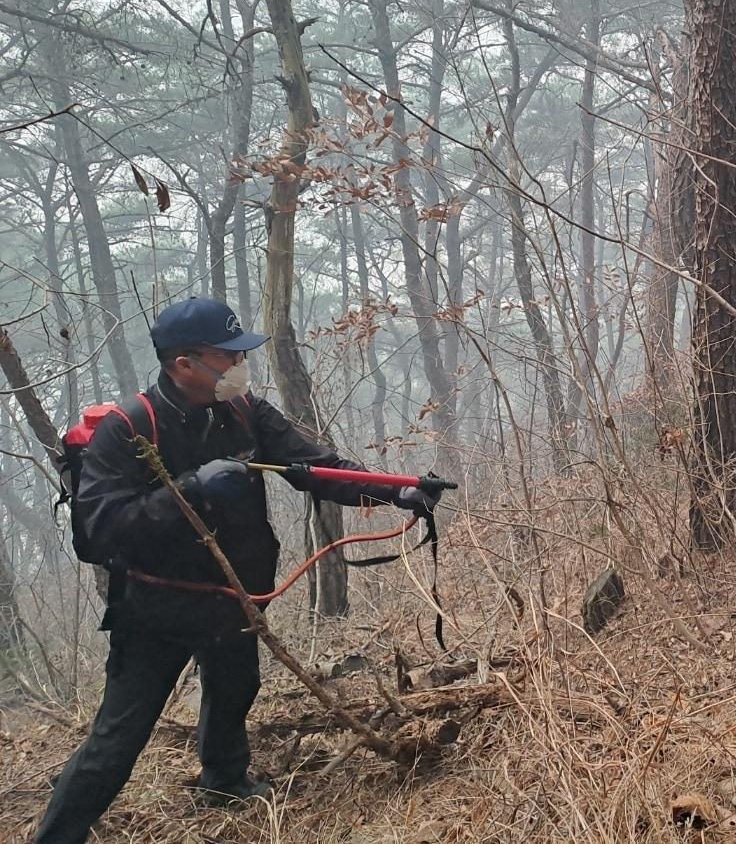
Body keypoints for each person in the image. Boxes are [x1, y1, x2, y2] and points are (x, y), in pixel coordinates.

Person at [33, 297, 437, 844]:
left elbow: (317, 467)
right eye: (229, 356)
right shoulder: (129, 429)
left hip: (236, 597)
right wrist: (190, 491)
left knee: (235, 688)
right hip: (157, 610)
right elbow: (102, 531)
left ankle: (223, 781)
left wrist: (395, 489)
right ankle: (57, 835)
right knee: (119, 737)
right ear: (184, 365)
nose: (240, 367)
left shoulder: (245, 410)